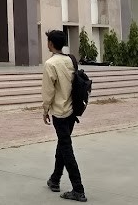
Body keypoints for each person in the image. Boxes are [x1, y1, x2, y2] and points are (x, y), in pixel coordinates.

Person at [42, 30, 87, 202]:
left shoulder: (50, 64)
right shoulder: (70, 60)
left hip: (59, 112)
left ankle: (78, 189)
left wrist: (45, 109)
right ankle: (55, 179)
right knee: (63, 144)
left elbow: (48, 91)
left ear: (51, 44)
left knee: (66, 148)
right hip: (72, 110)